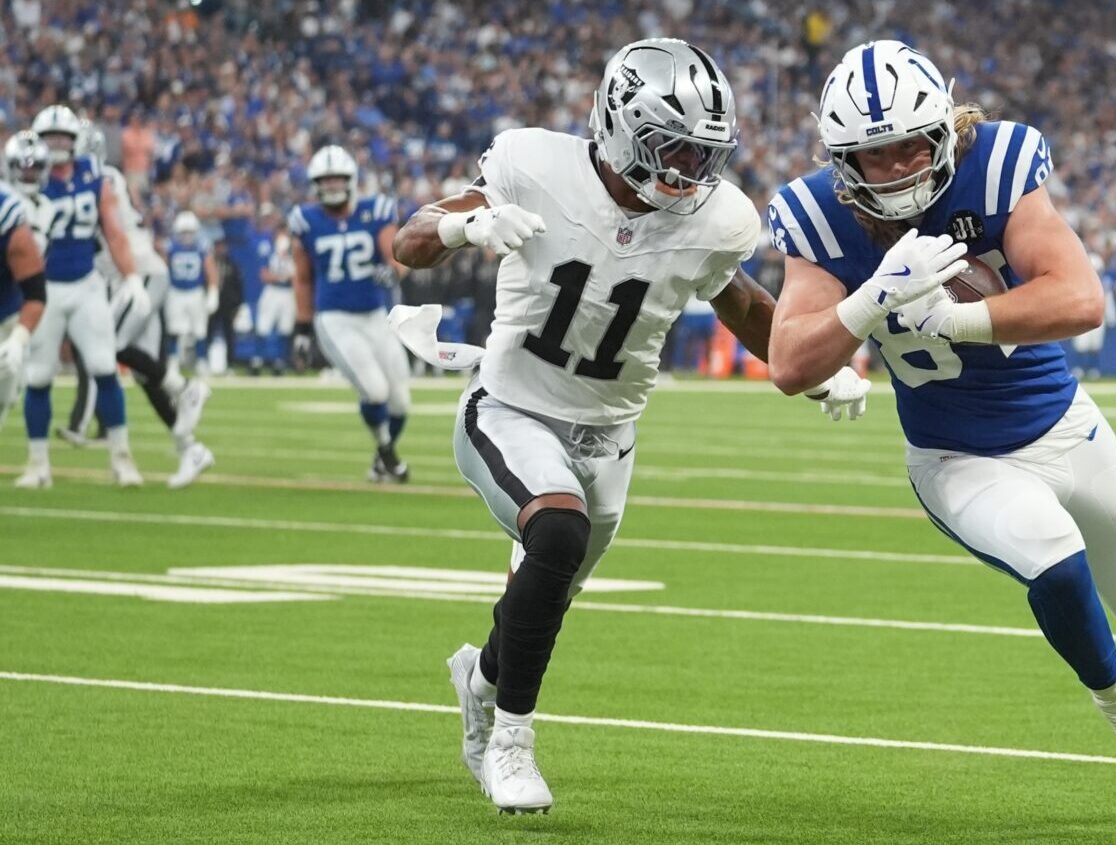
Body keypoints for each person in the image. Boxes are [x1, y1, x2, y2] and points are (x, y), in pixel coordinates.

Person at [766, 40, 1116, 829]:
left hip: (1067, 427)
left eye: (915, 142)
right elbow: (787, 361)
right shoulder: (817, 214)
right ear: (843, 159)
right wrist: (871, 299)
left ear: (947, 129)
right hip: (959, 456)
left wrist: (954, 316)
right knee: (1052, 554)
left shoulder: (999, 164)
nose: (901, 166)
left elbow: (1082, 298)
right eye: (877, 154)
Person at [390, 38, 869, 815]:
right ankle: (510, 740)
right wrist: (462, 230)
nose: (689, 167)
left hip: (610, 435)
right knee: (555, 536)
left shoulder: (717, 219)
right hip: (510, 405)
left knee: (545, 587)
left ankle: (480, 680)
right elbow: (407, 241)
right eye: (670, 145)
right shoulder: (532, 164)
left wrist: (815, 374)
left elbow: (742, 303)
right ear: (618, 126)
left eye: (702, 151)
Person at [59, 123, 213, 488]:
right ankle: (189, 448)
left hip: (138, 274)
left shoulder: (97, 178)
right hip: (137, 275)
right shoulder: (100, 177)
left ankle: (184, 386)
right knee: (145, 373)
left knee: (106, 344)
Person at [16, 105, 149, 489]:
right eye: (50, 139)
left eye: (63, 139)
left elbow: (115, 232)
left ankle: (122, 459)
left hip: (87, 282)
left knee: (105, 367)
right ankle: (38, 464)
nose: (57, 146)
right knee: (39, 376)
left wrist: (133, 279)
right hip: (44, 289)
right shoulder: (29, 181)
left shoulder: (94, 175)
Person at [288, 144, 412, 482]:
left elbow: (396, 256)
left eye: (337, 179)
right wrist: (301, 329)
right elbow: (302, 278)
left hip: (374, 315)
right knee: (374, 391)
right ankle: (387, 455)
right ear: (315, 184)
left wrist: (393, 272)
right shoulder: (305, 220)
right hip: (334, 318)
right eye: (324, 180)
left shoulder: (376, 210)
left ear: (351, 180)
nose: (331, 186)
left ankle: (380, 459)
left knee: (400, 402)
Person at [0, 181, 47, 434]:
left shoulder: (7, 213)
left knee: (2, 399)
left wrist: (18, 339)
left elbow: (36, 294)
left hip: (4, 316)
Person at [163, 211, 220, 379]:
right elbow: (164, 269)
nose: (187, 236)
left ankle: (201, 361)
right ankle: (172, 362)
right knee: (174, 329)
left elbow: (210, 269)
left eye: (190, 232)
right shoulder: (171, 246)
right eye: (184, 232)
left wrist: (213, 291)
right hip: (176, 291)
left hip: (195, 291)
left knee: (200, 329)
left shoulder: (202, 247)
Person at [252, 207, 295, 375]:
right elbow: (264, 275)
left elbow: (299, 275)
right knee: (263, 326)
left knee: (285, 328)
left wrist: (285, 277)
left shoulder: (295, 248)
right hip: (272, 291)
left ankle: (279, 362)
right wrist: (283, 277)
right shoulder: (267, 246)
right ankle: (257, 360)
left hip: (288, 293)